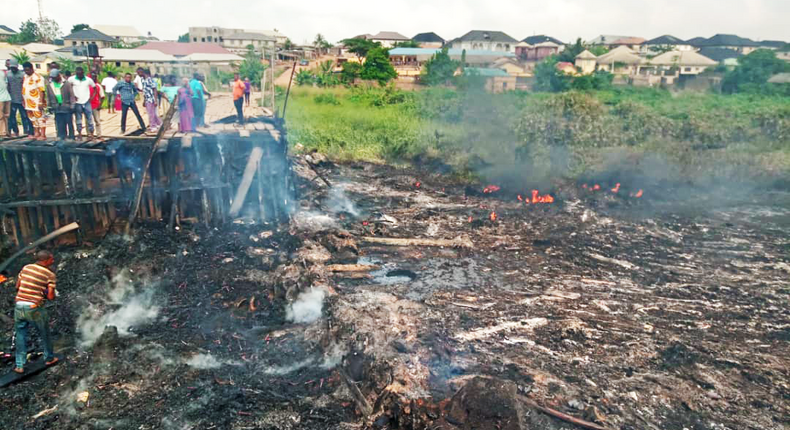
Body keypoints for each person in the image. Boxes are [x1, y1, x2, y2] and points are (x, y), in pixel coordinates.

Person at [13, 250, 59, 374]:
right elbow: (50, 297)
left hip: (19, 305)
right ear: (46, 260)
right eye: (51, 258)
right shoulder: (49, 274)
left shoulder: (26, 268)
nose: (53, 261)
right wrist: (45, 292)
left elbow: (17, 286)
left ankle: (19, 365)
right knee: (44, 333)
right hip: (34, 308)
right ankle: (49, 358)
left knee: (21, 335)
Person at [45, 70, 76, 140]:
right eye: (52, 78)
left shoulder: (66, 83)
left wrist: (72, 105)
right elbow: (48, 96)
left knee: (69, 123)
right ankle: (61, 136)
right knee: (59, 124)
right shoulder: (50, 84)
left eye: (54, 77)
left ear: (58, 76)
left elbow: (71, 95)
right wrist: (49, 106)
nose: (53, 79)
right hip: (56, 107)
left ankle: (71, 137)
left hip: (66, 106)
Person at [6, 59, 33, 137]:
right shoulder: (8, 74)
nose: (13, 69)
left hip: (22, 99)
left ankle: (26, 131)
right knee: (12, 117)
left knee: (24, 116)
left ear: (17, 66)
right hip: (12, 99)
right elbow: (8, 86)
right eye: (11, 67)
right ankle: (16, 131)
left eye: (14, 67)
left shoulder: (22, 74)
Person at [68, 67, 96, 140]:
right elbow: (68, 87)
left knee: (90, 119)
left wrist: (92, 97)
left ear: (83, 73)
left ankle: (91, 134)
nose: (79, 75)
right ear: (76, 73)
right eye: (78, 74)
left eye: (80, 74)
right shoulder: (71, 79)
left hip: (86, 101)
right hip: (77, 102)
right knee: (78, 119)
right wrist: (73, 96)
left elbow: (94, 88)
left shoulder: (88, 80)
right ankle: (79, 134)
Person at [22, 62, 47, 141]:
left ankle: (43, 134)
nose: (26, 72)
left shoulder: (38, 77)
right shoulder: (25, 76)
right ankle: (36, 133)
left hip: (36, 101)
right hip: (28, 102)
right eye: (25, 70)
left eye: (28, 70)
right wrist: (23, 100)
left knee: (40, 117)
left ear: (32, 69)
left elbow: (42, 90)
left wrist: (41, 102)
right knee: (32, 118)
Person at [89, 72, 104, 137]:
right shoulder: (87, 85)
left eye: (94, 77)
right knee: (88, 121)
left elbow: (102, 96)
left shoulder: (98, 86)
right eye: (92, 77)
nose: (93, 78)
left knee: (97, 121)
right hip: (88, 106)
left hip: (96, 105)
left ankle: (99, 134)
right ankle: (89, 134)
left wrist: (100, 105)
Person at [0, 64, 10, 137]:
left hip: (2, 98)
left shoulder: (2, 73)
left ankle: (3, 133)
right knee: (5, 116)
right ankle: (6, 132)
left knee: (1, 117)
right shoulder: (2, 73)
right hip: (7, 97)